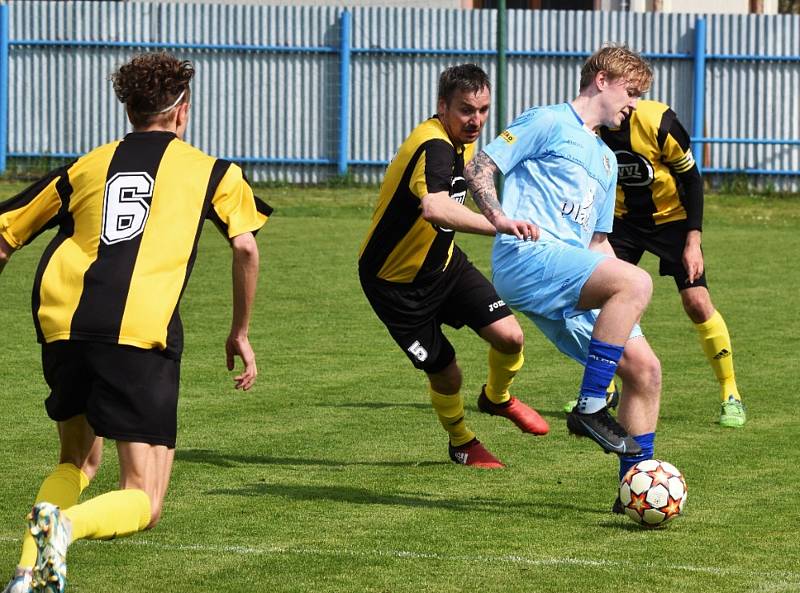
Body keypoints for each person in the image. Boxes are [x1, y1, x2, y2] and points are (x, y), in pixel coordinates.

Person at [0, 52, 272, 593]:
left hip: (62, 321)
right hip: (139, 329)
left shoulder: (87, 164)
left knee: (77, 460)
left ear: (130, 109)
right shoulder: (214, 172)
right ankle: (64, 528)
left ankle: (27, 575)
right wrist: (240, 332)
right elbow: (245, 247)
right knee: (145, 499)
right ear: (181, 111)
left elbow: (5, 235)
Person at [464, 45, 663, 498]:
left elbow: (597, 244)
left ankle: (635, 490)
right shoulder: (548, 121)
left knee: (645, 371)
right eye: (631, 92)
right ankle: (591, 406)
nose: (633, 104)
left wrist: (623, 304)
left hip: (571, 272)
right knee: (637, 280)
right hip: (527, 258)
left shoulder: (608, 160)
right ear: (603, 80)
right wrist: (498, 218)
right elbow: (481, 165)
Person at [358, 64, 548, 469]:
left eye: (482, 109)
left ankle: (496, 398)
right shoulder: (434, 146)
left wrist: (499, 210)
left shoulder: (459, 140)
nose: (476, 120)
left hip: (444, 265)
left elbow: (471, 183)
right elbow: (435, 207)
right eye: (466, 110)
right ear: (442, 106)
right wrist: (499, 225)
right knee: (446, 371)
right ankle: (461, 442)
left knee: (511, 337)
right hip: (395, 285)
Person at [598, 99, 746, 427]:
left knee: (697, 302)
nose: (629, 100)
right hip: (622, 222)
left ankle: (730, 393)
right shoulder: (594, 125)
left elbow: (692, 180)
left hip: (672, 221)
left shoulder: (660, 122)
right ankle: (604, 390)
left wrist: (693, 241)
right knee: (603, 301)